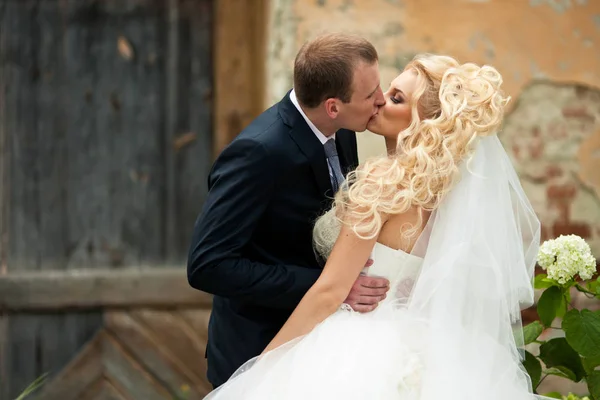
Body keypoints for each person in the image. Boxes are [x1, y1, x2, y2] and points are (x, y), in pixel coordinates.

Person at [202, 53, 548, 399]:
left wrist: (262, 373)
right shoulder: (452, 189)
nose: (380, 99)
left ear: (425, 122)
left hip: (356, 347)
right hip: (429, 350)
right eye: (386, 89)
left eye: (396, 98)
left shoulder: (380, 186)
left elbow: (329, 291)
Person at [187, 33, 390, 388]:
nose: (381, 100)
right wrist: (330, 286)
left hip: (323, 345)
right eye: (370, 94)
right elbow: (208, 266)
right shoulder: (257, 153)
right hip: (259, 350)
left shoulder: (342, 130)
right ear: (332, 106)